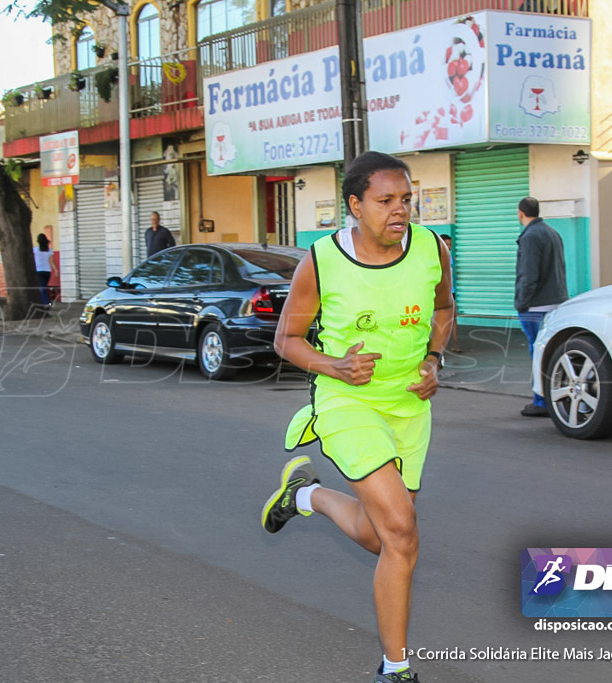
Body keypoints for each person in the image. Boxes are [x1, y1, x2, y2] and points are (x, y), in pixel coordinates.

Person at [261, 151, 454, 683]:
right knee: (403, 532)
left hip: (409, 405)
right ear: (354, 205)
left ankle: (304, 496)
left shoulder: (431, 249)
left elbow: (443, 309)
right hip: (347, 401)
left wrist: (435, 359)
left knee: (380, 537)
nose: (401, 211)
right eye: (386, 201)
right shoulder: (321, 261)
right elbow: (287, 340)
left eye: (407, 200)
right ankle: (396, 669)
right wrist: (336, 367)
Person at [515, 196, 568, 417]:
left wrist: (521, 303)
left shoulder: (530, 237)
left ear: (520, 213)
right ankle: (555, 397)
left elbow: (529, 275)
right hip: (556, 301)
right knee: (552, 354)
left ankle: (541, 401)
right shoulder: (552, 232)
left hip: (535, 306)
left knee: (538, 354)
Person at [439, 234, 461, 353]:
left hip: (451, 292)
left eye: (450, 245)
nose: (448, 247)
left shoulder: (451, 258)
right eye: (446, 244)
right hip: (439, 292)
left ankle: (455, 344)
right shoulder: (436, 257)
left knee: (453, 318)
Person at [34, 233, 58, 308]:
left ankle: (47, 303)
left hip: (39, 271)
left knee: (43, 288)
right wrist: (56, 270)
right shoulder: (49, 250)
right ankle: (46, 302)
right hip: (47, 271)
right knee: (44, 287)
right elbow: (52, 262)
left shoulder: (35, 250)